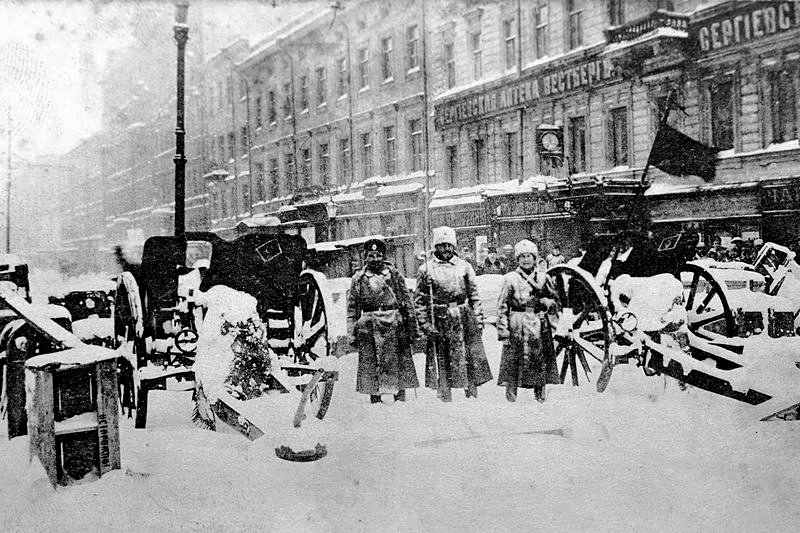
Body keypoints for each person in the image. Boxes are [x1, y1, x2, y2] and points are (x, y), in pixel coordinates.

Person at [415, 226, 492, 401]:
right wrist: (426, 325)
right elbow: (419, 302)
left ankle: (471, 394)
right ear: (436, 247)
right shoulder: (426, 270)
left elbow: (474, 296)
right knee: (443, 358)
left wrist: (478, 321)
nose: (446, 249)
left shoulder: (464, 267)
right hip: (440, 318)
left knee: (468, 357)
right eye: (442, 245)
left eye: (450, 245)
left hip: (463, 317)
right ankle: (445, 395)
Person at [347, 238, 419, 404]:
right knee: (371, 361)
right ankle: (375, 398)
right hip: (370, 323)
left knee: (398, 360)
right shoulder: (358, 279)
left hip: (394, 321)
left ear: (383, 256)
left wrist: (412, 327)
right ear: (365, 257)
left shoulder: (394, 275)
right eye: (371, 256)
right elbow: (352, 308)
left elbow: (407, 302)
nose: (375, 259)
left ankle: (400, 397)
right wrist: (352, 332)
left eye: (378, 255)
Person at [495, 240, 559, 403]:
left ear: (535, 258)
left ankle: (540, 391)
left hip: (538, 323)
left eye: (529, 256)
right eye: (522, 257)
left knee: (539, 358)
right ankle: (511, 393)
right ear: (517, 259)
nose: (526, 260)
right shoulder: (510, 279)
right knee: (514, 360)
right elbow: (502, 306)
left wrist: (548, 303)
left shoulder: (544, 278)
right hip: (517, 323)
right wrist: (503, 331)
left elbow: (555, 302)